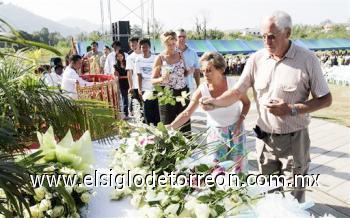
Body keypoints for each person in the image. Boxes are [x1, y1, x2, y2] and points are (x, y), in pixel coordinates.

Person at [200, 11, 332, 202]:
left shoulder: (308, 59)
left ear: (287, 33)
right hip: (264, 141)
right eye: (263, 36)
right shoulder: (256, 59)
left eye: (272, 36)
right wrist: (215, 102)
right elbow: (237, 92)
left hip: (295, 141)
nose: (266, 42)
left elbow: (326, 99)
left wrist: (291, 109)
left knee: (293, 200)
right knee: (269, 198)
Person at [170, 52, 250, 172]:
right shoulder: (202, 90)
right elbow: (187, 113)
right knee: (217, 171)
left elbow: (247, 103)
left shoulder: (234, 85)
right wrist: (170, 128)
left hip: (236, 131)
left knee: (238, 171)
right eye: (203, 71)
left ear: (221, 69)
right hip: (215, 134)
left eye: (209, 70)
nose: (205, 74)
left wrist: (240, 120)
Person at [152, 31, 191, 133]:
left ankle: (186, 148)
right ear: (163, 44)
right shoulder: (160, 58)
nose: (171, 46)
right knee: (167, 125)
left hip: (182, 93)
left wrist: (190, 71)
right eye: (168, 44)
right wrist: (161, 79)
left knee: (184, 125)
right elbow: (152, 80)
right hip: (167, 95)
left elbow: (185, 73)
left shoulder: (181, 54)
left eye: (173, 44)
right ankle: (169, 148)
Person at [135, 38, 160, 125]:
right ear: (140, 48)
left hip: (156, 88)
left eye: (146, 47)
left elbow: (159, 73)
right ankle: (149, 130)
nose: (144, 49)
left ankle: (158, 130)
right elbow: (139, 75)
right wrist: (139, 89)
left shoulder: (156, 58)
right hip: (145, 89)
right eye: (142, 47)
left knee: (157, 112)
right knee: (147, 111)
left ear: (149, 47)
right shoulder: (138, 59)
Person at [176, 29, 201, 94]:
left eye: (184, 37)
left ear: (186, 38)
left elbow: (197, 71)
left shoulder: (193, 53)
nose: (181, 38)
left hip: (189, 87)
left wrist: (198, 86)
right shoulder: (171, 52)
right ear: (175, 38)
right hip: (174, 88)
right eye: (179, 36)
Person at [126, 37, 143, 114]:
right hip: (136, 85)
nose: (133, 46)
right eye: (131, 45)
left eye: (135, 44)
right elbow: (129, 73)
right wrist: (131, 86)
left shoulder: (146, 53)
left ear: (139, 43)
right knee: (139, 106)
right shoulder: (130, 57)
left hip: (148, 85)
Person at [114, 51, 130, 119]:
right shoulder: (115, 66)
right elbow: (117, 76)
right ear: (116, 57)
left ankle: (131, 111)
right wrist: (127, 76)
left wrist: (127, 77)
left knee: (130, 97)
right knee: (124, 98)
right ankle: (125, 114)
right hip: (121, 83)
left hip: (129, 82)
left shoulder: (127, 63)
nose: (120, 57)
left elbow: (130, 73)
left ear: (123, 56)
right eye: (118, 56)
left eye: (121, 56)